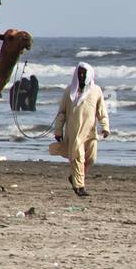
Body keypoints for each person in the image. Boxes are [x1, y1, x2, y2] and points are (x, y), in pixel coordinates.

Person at [50, 62, 111, 197]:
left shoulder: (96, 91)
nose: (82, 76)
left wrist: (105, 127)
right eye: (80, 73)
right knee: (78, 158)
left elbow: (102, 111)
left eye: (84, 73)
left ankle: (75, 178)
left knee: (91, 159)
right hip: (74, 132)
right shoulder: (69, 91)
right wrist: (58, 131)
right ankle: (79, 186)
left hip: (90, 132)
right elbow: (62, 113)